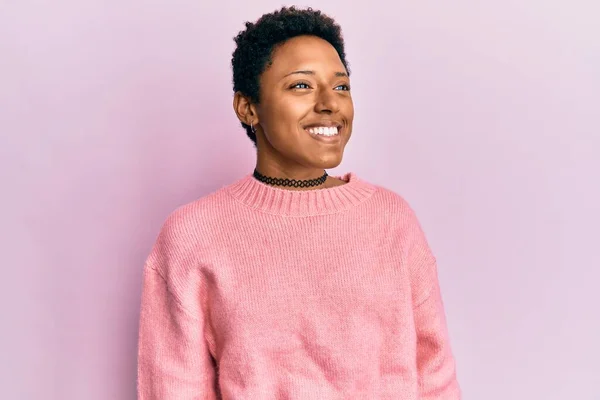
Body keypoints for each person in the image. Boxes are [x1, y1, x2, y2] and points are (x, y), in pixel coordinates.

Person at [137, 6, 461, 399]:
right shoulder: (192, 235)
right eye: (301, 86)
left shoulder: (392, 220)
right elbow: (174, 388)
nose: (330, 103)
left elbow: (435, 375)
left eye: (341, 86)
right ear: (248, 107)